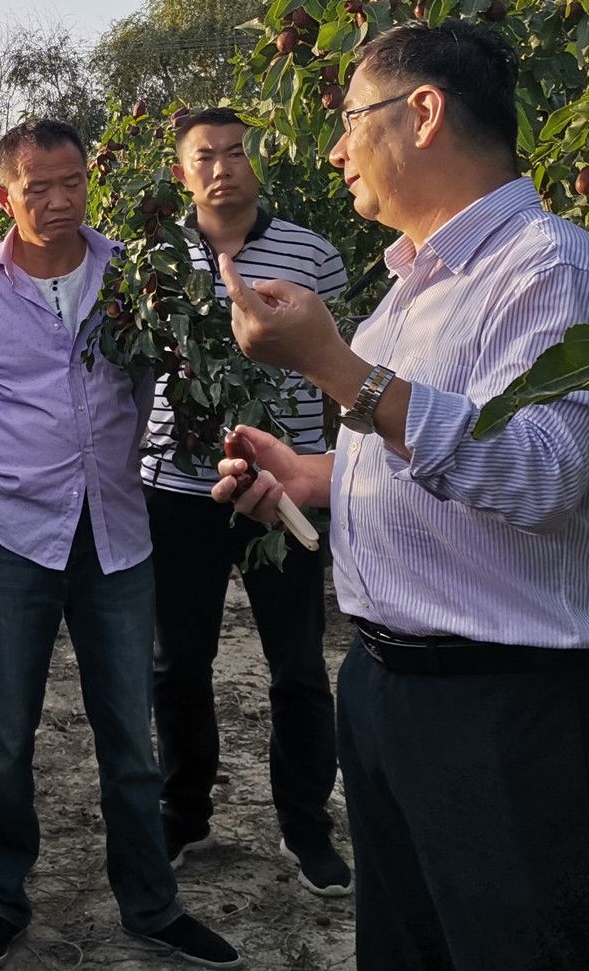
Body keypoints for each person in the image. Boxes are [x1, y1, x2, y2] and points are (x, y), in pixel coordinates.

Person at [213, 22, 589, 971]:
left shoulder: (557, 269)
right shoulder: (411, 292)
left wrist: (340, 372)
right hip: (397, 698)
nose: (335, 148)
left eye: (348, 119)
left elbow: (541, 473)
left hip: (526, 717)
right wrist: (318, 479)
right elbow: (429, 458)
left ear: (423, 113)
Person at [0, 120, 239, 971]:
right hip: (7, 532)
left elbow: (140, 388)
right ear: (5, 196)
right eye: (41, 188)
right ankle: (1, 897)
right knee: (4, 735)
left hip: (114, 529)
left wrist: (95, 465)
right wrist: (11, 477)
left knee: (129, 739)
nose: (62, 201)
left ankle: (150, 903)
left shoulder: (129, 276)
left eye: (74, 183)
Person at [140, 109, 351, 896]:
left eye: (236, 153)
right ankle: (182, 812)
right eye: (206, 156)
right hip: (178, 490)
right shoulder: (151, 258)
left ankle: (306, 825)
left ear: (258, 164)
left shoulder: (313, 254)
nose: (222, 167)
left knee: (297, 665)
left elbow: (336, 375)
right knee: (176, 663)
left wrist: (321, 469)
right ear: (181, 173)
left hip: (280, 490)